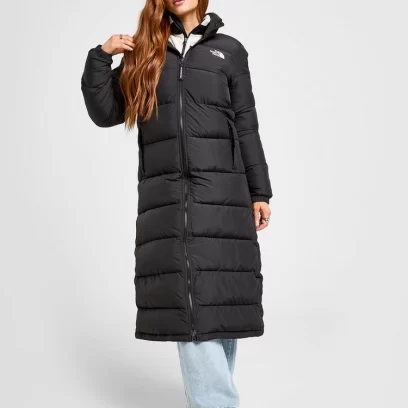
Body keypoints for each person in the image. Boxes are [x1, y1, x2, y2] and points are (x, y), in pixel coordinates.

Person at [80, 0, 273, 406]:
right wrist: (101, 56)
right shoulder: (145, 53)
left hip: (224, 197)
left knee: (218, 309)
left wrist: (260, 192)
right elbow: (105, 111)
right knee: (192, 309)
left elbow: (246, 124)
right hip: (169, 204)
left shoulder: (229, 51)